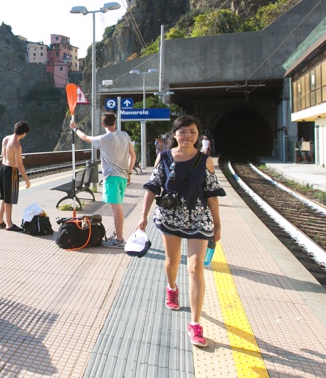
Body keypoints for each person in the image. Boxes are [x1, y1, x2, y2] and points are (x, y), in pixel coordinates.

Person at [137, 116, 225, 348]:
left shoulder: (205, 161)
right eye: (182, 131)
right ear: (174, 134)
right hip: (170, 216)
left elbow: (211, 194)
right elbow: (152, 187)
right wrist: (143, 216)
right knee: (172, 262)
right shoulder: (163, 157)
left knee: (195, 267)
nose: (187, 136)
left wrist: (217, 224)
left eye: (192, 132)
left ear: (198, 135)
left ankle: (195, 324)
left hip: (198, 217)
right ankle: (172, 288)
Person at [70, 111, 137, 247]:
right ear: (115, 122)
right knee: (117, 207)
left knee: (116, 209)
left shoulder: (103, 139)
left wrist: (75, 128)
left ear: (102, 124)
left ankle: (119, 239)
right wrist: (129, 172)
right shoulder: (125, 135)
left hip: (111, 177)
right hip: (123, 177)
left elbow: (84, 137)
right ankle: (117, 234)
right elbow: (133, 156)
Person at [0, 121, 31, 231]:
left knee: (4, 197)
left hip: (3, 168)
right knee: (9, 199)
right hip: (11, 170)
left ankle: (0, 219)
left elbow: (2, 155)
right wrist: (27, 180)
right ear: (24, 133)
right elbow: (20, 165)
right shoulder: (17, 145)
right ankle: (9, 224)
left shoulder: (6, 139)